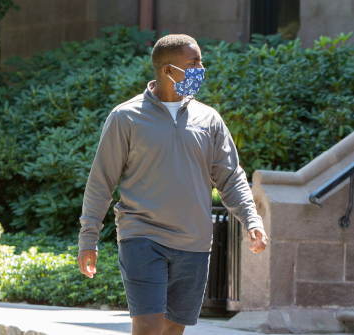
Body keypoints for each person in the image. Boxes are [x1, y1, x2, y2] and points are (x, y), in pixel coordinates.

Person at [76, 34, 269, 335]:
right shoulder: (125, 117)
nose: (201, 70)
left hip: (194, 242)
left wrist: (251, 218)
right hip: (142, 236)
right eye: (193, 64)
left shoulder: (209, 119)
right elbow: (101, 181)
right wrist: (89, 238)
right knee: (148, 325)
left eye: (201, 63)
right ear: (167, 70)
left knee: (171, 329)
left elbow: (231, 177)